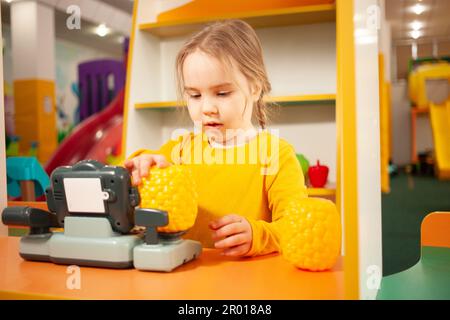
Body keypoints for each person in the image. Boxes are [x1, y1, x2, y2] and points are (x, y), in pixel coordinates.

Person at [124, 19, 307, 257]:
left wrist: (257, 235)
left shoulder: (276, 155)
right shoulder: (181, 150)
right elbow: (137, 169)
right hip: (184, 280)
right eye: (195, 95)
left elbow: (296, 226)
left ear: (254, 87)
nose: (207, 107)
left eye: (222, 93)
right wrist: (141, 162)